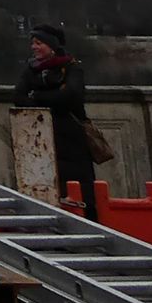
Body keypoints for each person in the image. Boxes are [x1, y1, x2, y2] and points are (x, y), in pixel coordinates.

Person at [14, 21, 98, 221]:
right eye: (33, 43)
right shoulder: (31, 70)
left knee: (80, 189)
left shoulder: (71, 68)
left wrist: (38, 97)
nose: (34, 47)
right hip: (40, 140)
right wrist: (54, 96)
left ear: (51, 46)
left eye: (38, 43)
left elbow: (72, 96)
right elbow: (19, 98)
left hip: (71, 140)